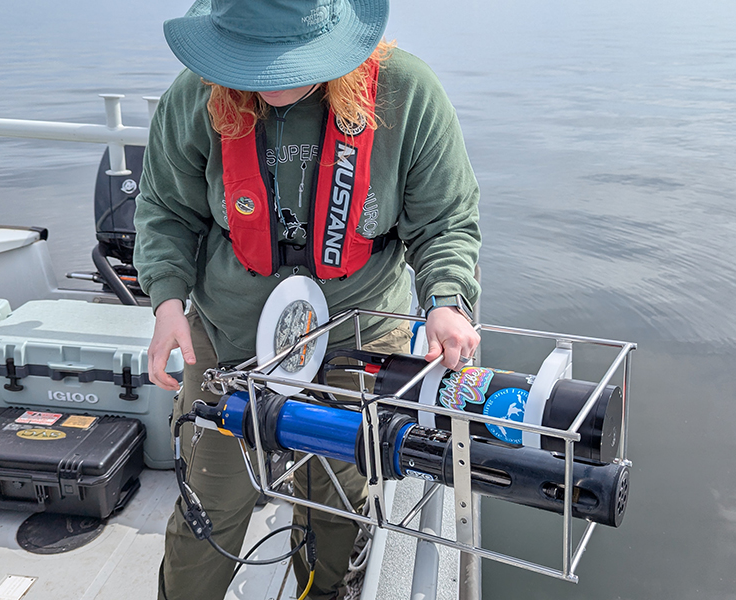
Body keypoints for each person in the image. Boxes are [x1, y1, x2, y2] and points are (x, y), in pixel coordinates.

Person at [134, 0, 481, 598]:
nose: (268, 79)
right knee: (206, 509)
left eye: (287, 60)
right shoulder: (195, 97)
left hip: (355, 339)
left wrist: (445, 300)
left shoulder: (408, 93)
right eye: (251, 60)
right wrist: (166, 301)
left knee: (336, 510)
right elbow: (166, 209)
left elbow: (446, 220)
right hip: (229, 340)